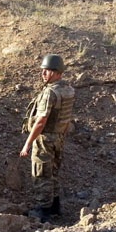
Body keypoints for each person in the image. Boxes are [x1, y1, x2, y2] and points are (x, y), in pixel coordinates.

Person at [20, 54, 75, 222]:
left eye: (47, 71)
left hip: (45, 139)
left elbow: (41, 121)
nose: (43, 74)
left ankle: (43, 211)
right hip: (59, 137)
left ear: (56, 72)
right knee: (53, 172)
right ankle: (55, 207)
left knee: (41, 173)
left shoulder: (50, 93)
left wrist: (27, 143)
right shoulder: (68, 90)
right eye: (43, 71)